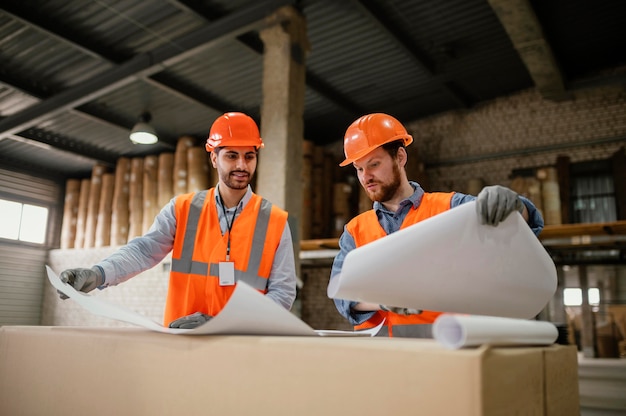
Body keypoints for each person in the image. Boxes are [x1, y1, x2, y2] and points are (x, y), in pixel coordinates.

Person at [59, 112, 298, 329]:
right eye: (231, 156)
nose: (241, 165)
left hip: (242, 346)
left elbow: (282, 294)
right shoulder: (183, 209)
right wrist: (98, 274)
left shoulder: (275, 221)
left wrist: (224, 324)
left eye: (249, 156)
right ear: (214, 158)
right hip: (182, 341)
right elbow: (143, 251)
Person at [328, 113, 544, 338]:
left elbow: (522, 223)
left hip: (444, 348)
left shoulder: (450, 208)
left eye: (374, 164)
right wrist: (383, 301)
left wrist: (513, 204)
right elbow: (342, 294)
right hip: (381, 358)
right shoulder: (355, 231)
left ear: (400, 157)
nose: (366, 177)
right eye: (359, 169)